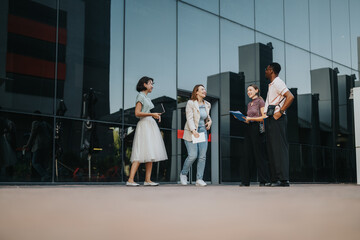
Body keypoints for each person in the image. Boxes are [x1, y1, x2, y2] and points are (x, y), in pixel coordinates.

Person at [126, 76, 168, 186]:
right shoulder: (140, 96)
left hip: (150, 124)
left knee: (151, 153)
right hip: (144, 125)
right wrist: (151, 114)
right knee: (140, 152)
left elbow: (146, 112)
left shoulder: (147, 98)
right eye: (150, 83)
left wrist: (155, 115)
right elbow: (137, 113)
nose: (152, 86)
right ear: (144, 84)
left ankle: (147, 180)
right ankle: (130, 180)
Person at [264, 63, 294, 187]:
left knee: (279, 149)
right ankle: (275, 179)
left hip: (277, 118)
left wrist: (280, 112)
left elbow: (290, 96)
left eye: (266, 69)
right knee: (272, 149)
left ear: (271, 70)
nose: (265, 71)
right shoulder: (272, 85)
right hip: (271, 119)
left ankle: (283, 179)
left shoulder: (277, 82)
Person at [179, 84, 212, 187]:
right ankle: (184, 174)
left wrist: (210, 122)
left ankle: (199, 179)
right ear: (196, 92)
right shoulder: (191, 103)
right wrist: (194, 131)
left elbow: (207, 117)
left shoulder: (207, 104)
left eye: (205, 89)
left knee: (202, 156)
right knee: (193, 155)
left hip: (203, 132)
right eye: (202, 89)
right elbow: (189, 118)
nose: (204, 91)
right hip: (191, 131)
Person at [239, 84, 271, 187]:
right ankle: (245, 181)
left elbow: (264, 117)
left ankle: (264, 180)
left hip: (257, 129)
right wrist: (243, 119)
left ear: (256, 90)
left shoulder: (260, 102)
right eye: (247, 90)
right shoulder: (249, 104)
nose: (248, 92)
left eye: (250, 90)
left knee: (259, 155)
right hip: (249, 128)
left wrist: (251, 119)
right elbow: (249, 119)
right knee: (246, 154)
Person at [23, 112, 52, 181]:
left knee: (35, 162)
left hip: (39, 146)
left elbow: (32, 135)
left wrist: (27, 145)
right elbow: (51, 132)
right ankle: (44, 176)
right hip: (46, 146)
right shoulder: (45, 124)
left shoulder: (35, 123)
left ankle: (45, 175)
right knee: (41, 162)